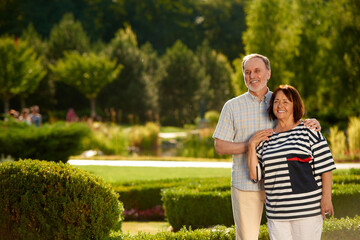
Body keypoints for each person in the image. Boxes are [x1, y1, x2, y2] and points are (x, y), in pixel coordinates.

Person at [212, 53, 321, 240]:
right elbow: (220, 147)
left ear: (268, 73)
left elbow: (295, 126)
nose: (252, 76)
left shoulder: (279, 100)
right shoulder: (232, 106)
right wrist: (251, 145)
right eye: (247, 72)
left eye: (257, 71)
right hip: (245, 184)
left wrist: (312, 123)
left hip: (281, 185)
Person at [248, 85, 335, 240]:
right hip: (277, 214)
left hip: (307, 211)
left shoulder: (309, 130)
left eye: (285, 101)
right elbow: (255, 175)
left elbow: (326, 167)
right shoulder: (266, 139)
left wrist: (326, 198)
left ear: (295, 105)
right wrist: (251, 145)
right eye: (276, 102)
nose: (280, 105)